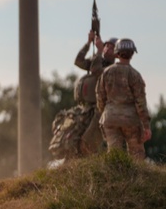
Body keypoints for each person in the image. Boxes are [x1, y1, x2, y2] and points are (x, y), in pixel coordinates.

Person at [50, 31, 117, 159]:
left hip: (98, 111)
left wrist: (98, 51)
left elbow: (96, 71)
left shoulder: (113, 69)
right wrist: (88, 43)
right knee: (69, 137)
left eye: (112, 47)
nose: (108, 49)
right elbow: (78, 61)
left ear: (117, 53)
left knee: (87, 144)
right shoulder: (98, 61)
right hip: (84, 110)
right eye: (107, 46)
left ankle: (85, 165)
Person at [96, 38, 151, 160]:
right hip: (130, 120)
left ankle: (114, 178)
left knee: (114, 154)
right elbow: (141, 103)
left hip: (110, 118)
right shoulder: (135, 75)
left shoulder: (106, 73)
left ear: (116, 53)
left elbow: (100, 97)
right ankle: (136, 179)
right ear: (132, 54)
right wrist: (146, 126)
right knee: (137, 154)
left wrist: (105, 111)